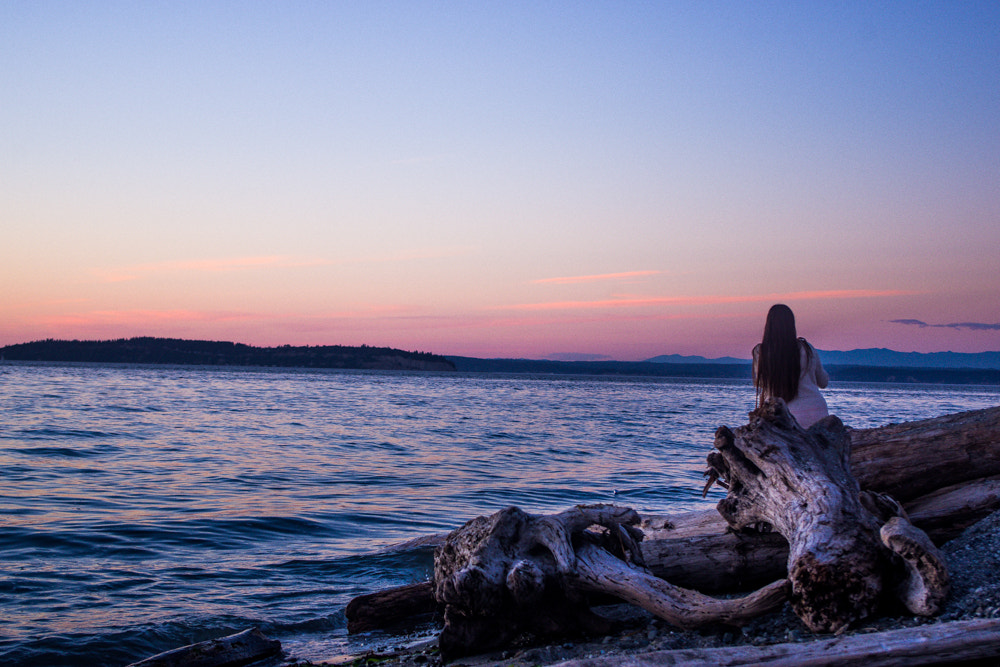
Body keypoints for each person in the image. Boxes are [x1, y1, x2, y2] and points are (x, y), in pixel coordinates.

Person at [752, 304, 829, 428]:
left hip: (782, 415)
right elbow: (823, 382)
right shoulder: (806, 348)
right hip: (817, 411)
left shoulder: (761, 352)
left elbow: (760, 383)